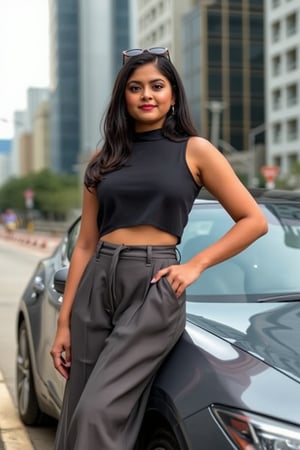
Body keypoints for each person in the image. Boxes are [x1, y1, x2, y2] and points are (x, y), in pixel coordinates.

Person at [51, 47, 268, 450]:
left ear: (172, 95)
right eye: (135, 88)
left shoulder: (196, 149)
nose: (146, 95)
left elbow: (253, 220)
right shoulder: (104, 158)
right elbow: (84, 244)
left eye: (156, 86)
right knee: (78, 404)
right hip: (98, 281)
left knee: (97, 412)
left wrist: (196, 265)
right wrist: (64, 323)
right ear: (123, 98)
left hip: (154, 284)